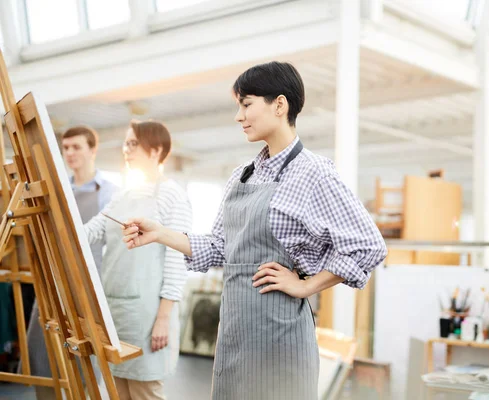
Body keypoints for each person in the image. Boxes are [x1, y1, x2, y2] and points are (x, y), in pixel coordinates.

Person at [121, 62, 387, 400]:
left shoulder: (313, 173)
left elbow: (368, 246)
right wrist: (160, 233)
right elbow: (219, 246)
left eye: (246, 104)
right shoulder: (241, 175)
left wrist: (306, 286)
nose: (238, 116)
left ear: (279, 105)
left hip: (281, 339)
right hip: (235, 336)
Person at [84, 120, 192, 400]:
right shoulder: (124, 193)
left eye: (133, 144)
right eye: (126, 143)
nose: (126, 150)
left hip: (147, 314)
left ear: (155, 151)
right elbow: (93, 230)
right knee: (116, 390)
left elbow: (176, 261)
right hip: (115, 310)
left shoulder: (172, 196)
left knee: (144, 390)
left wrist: (163, 320)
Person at [26, 125, 118, 399]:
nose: (69, 153)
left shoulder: (110, 192)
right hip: (55, 280)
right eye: (65, 148)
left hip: (91, 284)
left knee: (87, 358)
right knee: (40, 347)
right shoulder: (57, 190)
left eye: (76, 147)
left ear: (93, 149)